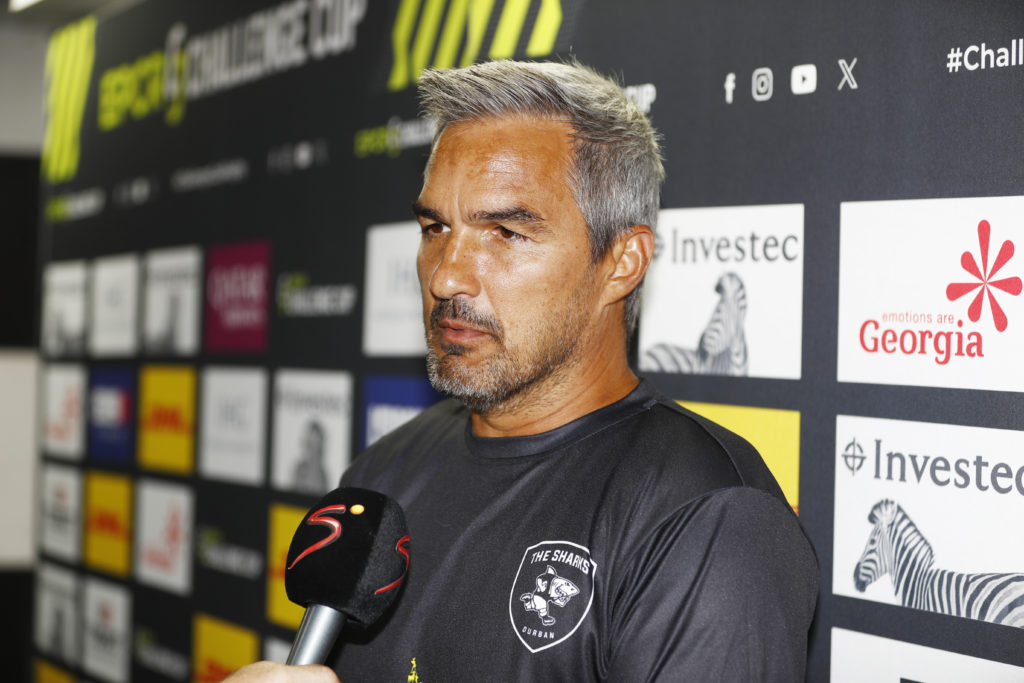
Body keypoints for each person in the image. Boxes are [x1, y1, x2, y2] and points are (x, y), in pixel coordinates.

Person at [228, 58, 817, 682]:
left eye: (505, 232)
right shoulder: (381, 476)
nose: (446, 273)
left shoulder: (709, 517)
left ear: (621, 262)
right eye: (435, 227)